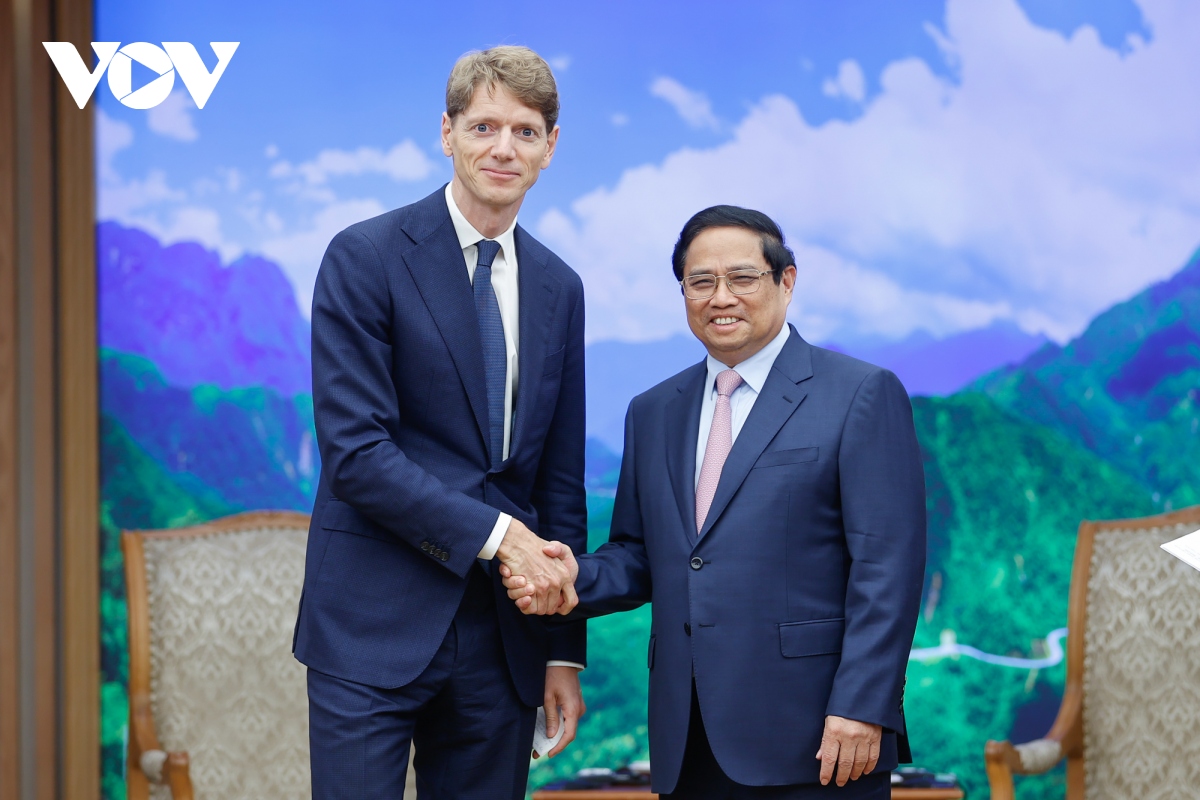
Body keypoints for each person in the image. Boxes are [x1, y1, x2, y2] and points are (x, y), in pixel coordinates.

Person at [504, 206, 926, 798]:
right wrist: (569, 578)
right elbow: (639, 555)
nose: (720, 297)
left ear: (786, 281)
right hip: (688, 740)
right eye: (700, 281)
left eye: (742, 278)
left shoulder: (859, 393)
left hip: (820, 738)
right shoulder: (653, 411)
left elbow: (888, 568)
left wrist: (862, 705)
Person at [293, 46, 587, 800]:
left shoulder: (560, 287)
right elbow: (357, 454)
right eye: (484, 126)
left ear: (551, 147)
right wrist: (501, 537)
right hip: (371, 622)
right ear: (447, 132)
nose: (503, 148)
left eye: (525, 131)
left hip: (503, 638)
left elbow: (559, 478)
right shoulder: (365, 256)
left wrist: (561, 650)